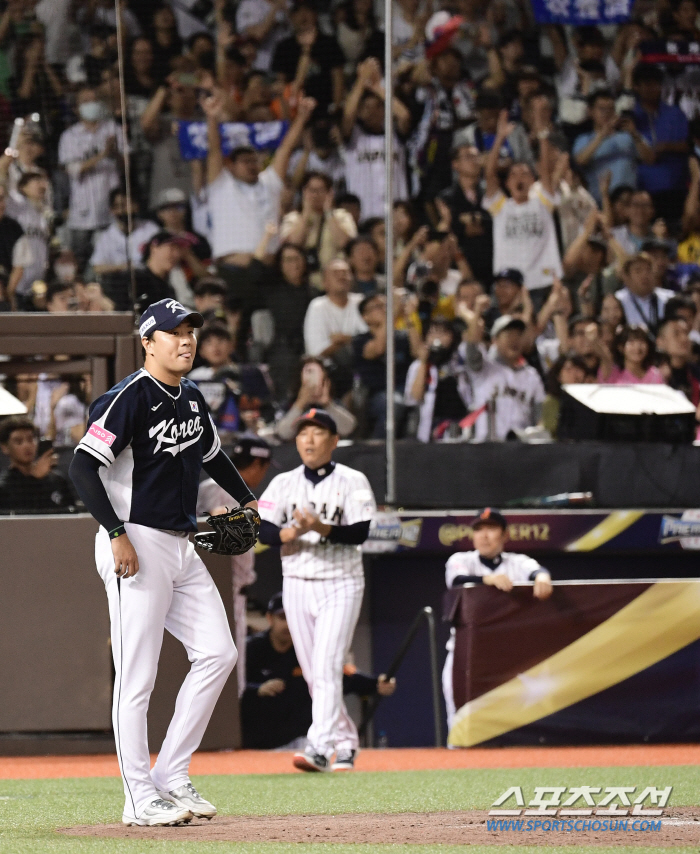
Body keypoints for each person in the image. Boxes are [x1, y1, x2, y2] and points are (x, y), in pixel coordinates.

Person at [68, 298, 259, 827]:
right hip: (136, 542)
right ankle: (137, 797)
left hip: (182, 542)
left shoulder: (193, 398)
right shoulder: (126, 398)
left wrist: (247, 500)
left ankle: (171, 775)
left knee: (219, 653)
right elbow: (82, 466)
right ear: (147, 341)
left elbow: (214, 454)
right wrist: (115, 533)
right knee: (138, 677)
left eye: (191, 332)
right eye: (174, 332)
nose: (186, 340)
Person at [257, 409, 376, 771]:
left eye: (318, 432)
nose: (309, 439)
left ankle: (320, 748)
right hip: (296, 583)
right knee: (314, 674)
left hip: (340, 581)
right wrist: (287, 534)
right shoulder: (282, 483)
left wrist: (320, 528)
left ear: (334, 441)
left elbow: (360, 532)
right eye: (303, 432)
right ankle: (346, 741)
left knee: (326, 666)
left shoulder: (352, 480)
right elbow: (261, 529)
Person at [442, 508, 552, 730]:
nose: (484, 535)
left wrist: (542, 576)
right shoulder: (461, 559)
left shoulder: (516, 562)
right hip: (467, 654)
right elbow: (457, 580)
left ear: (504, 535)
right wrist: (487, 579)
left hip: (509, 654)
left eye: (491, 529)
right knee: (459, 714)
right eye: (479, 530)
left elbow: (537, 570)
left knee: (522, 712)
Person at [241, 592, 395, 750]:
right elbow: (230, 692)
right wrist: (258, 689)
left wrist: (375, 684)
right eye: (282, 618)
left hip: (302, 739)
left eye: (292, 619)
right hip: (258, 742)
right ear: (270, 618)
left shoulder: (310, 648)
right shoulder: (250, 650)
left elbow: (340, 676)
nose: (288, 625)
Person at [197, 434, 273, 698]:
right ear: (256, 466)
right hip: (225, 592)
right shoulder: (234, 494)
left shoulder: (206, 487)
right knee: (230, 675)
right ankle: (224, 736)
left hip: (202, 590)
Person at [205, 91, 316, 266]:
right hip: (234, 268)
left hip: (268, 268)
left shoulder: (269, 181)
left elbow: (285, 150)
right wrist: (212, 118)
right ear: (231, 166)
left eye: (254, 161)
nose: (251, 165)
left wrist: (301, 118)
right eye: (245, 161)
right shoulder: (221, 185)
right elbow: (214, 151)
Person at [483, 106, 563, 303]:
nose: (519, 177)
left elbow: (545, 170)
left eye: (525, 173)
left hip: (543, 282)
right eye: (514, 174)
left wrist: (542, 134)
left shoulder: (543, 201)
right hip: (509, 284)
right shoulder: (501, 206)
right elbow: (489, 174)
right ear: (507, 183)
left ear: (533, 181)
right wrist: (499, 138)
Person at [58, 87, 123, 271]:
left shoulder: (113, 129)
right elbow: (73, 169)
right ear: (76, 108)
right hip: (82, 212)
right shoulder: (69, 136)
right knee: (79, 261)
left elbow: (126, 165)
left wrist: (115, 152)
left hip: (110, 210)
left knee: (109, 260)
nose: (91, 104)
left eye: (94, 99)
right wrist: (103, 154)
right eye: (85, 101)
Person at [462, 313, 546, 442]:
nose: (514, 339)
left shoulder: (532, 376)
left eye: (518, 335)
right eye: (508, 335)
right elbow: (472, 347)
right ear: (495, 340)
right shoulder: (483, 369)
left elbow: (540, 416)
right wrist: (476, 313)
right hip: (485, 446)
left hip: (519, 448)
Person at [280, 171, 357, 290]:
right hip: (304, 284)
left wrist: (328, 213)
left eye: (321, 190)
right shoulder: (293, 218)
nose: (316, 195)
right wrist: (306, 214)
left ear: (330, 193)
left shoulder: (342, 216)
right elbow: (293, 245)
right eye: (312, 190)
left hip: (336, 282)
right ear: (304, 192)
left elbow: (344, 244)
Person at [303, 259, 367, 393]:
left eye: (345, 272)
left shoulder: (361, 302)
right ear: (324, 282)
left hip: (363, 370)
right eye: (336, 273)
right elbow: (316, 352)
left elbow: (369, 341)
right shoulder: (317, 306)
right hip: (330, 376)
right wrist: (351, 340)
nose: (342, 276)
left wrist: (340, 340)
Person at [404, 318, 470, 442]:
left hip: (462, 421)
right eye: (432, 333)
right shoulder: (418, 366)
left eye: (443, 333)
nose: (437, 337)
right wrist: (424, 362)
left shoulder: (461, 359)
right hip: (433, 425)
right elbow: (415, 397)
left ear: (452, 337)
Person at [0, 416, 76, 513]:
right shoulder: (4, 486)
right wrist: (35, 480)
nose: (27, 445)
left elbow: (73, 515)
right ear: (5, 448)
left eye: (31, 439)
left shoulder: (57, 480)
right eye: (18, 442)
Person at [275, 356, 357, 440]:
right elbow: (283, 434)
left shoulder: (334, 404)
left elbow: (348, 429)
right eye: (309, 373)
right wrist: (300, 405)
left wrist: (328, 405)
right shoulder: (290, 405)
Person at [615, 253, 675, 335]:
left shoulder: (669, 299)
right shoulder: (617, 300)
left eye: (648, 269)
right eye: (638, 271)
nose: (644, 275)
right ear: (626, 277)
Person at [598, 324, 665, 385]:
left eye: (641, 342)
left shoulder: (655, 375)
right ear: (621, 347)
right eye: (631, 342)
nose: (637, 347)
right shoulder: (612, 372)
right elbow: (605, 357)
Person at [134, 232, 179, 310]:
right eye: (171, 248)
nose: (176, 255)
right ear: (154, 248)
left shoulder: (168, 288)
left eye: (178, 250)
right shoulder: (134, 278)